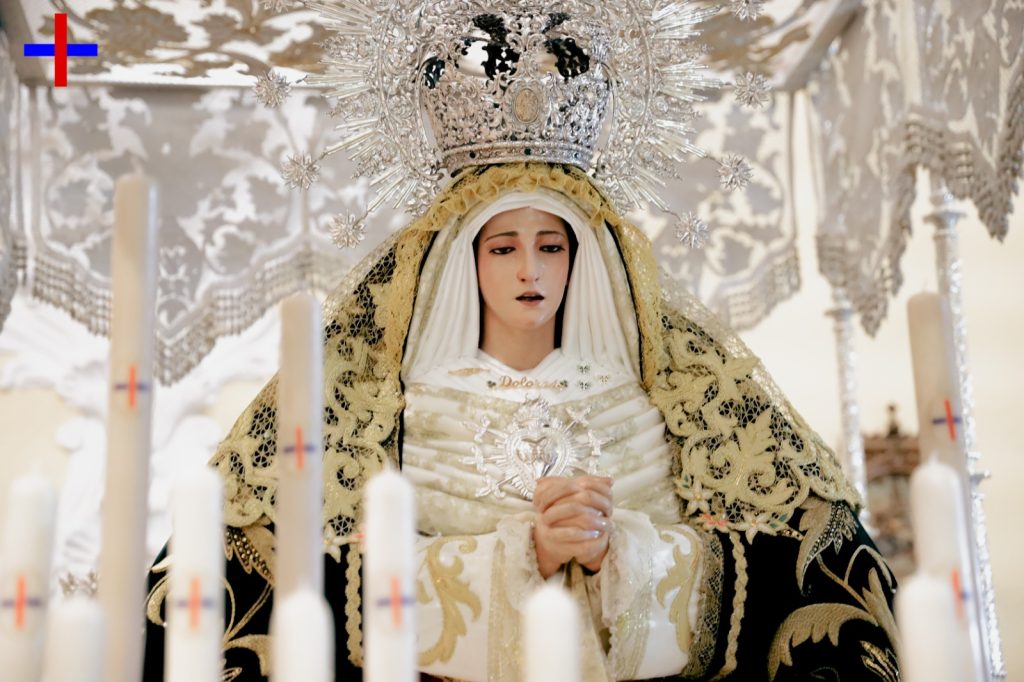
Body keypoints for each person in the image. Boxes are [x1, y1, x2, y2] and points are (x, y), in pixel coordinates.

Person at [143, 4, 899, 680]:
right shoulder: (392, 414)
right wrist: (522, 556)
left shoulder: (659, 404)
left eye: (553, 246)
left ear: (585, 261)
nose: (531, 269)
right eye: (503, 247)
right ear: (464, 261)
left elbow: (781, 573)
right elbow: (312, 588)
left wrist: (616, 557)